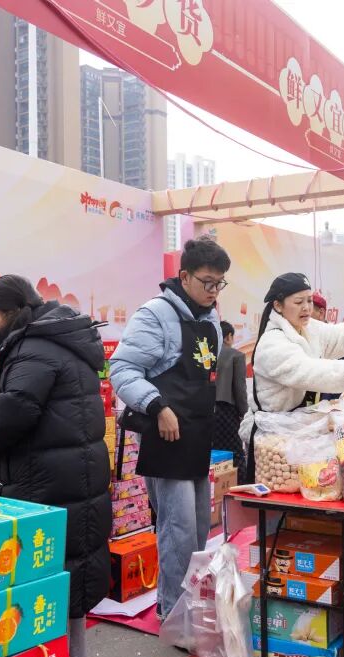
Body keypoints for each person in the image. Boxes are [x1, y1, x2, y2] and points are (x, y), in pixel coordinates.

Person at [0, 275, 110, 657]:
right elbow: (31, 403)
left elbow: (17, 409)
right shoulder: (55, 339)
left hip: (45, 484)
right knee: (66, 591)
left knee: (45, 593)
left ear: (11, 313)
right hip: (68, 479)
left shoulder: (34, 347)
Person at [109, 237, 230, 619]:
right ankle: (173, 613)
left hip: (197, 436)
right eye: (207, 282)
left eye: (219, 283)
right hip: (165, 439)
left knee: (199, 530)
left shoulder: (209, 318)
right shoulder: (155, 314)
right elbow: (122, 369)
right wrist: (157, 405)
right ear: (184, 276)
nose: (213, 291)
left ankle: (191, 608)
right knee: (177, 532)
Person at [241, 272, 344, 479]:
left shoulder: (308, 329)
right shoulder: (272, 343)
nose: (306, 307)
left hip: (298, 431)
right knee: (278, 485)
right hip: (273, 438)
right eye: (299, 302)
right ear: (278, 305)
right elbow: (309, 371)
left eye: (309, 300)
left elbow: (340, 336)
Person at [213, 320, 247, 478]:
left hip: (206, 411)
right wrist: (244, 414)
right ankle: (239, 485)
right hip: (227, 412)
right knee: (234, 452)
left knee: (214, 452)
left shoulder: (206, 354)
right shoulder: (236, 355)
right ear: (228, 337)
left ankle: (216, 486)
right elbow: (240, 389)